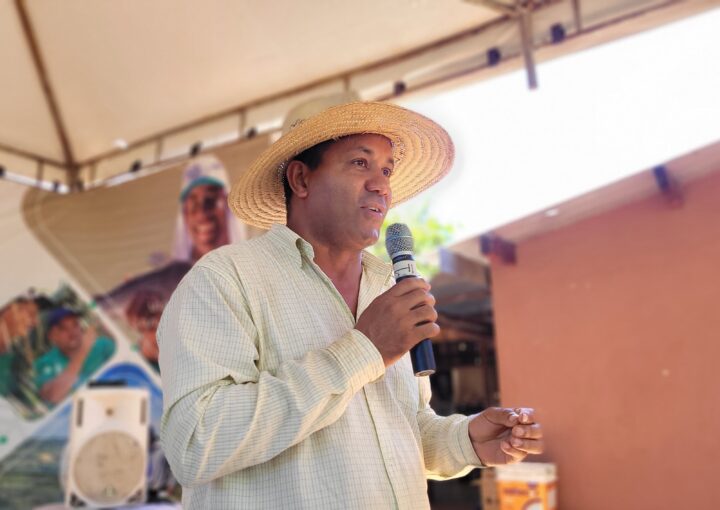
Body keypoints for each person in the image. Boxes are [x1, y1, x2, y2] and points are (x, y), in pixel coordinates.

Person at [158, 95, 544, 509]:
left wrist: (466, 441)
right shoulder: (226, 279)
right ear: (301, 179)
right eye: (360, 163)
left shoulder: (387, 289)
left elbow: (400, 430)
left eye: (387, 170)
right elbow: (195, 442)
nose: (381, 185)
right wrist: (365, 348)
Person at [96, 155, 246, 370]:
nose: (202, 214)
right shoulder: (170, 274)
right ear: (184, 214)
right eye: (192, 205)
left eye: (211, 201)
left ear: (228, 206)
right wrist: (151, 342)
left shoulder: (250, 273)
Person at [34, 308, 115, 405]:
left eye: (75, 324)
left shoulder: (103, 345)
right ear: (52, 336)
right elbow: (53, 396)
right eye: (63, 328)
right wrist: (84, 350)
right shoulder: (45, 363)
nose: (72, 332)